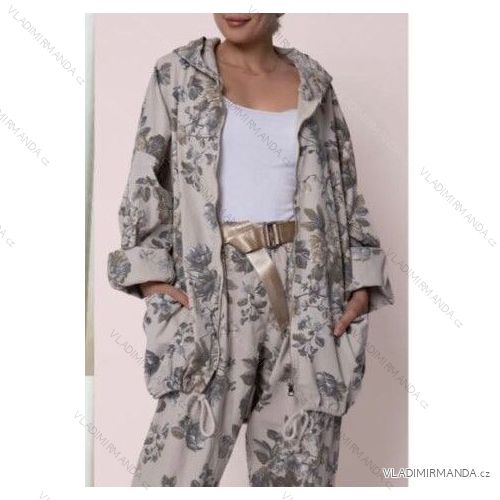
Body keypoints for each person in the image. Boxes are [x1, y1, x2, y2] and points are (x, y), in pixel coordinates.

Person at [107, 13, 394, 487]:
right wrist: (153, 279)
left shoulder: (315, 84)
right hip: (209, 293)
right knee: (172, 476)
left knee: (298, 477)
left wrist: (360, 286)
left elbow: (345, 190)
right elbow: (145, 179)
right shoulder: (176, 74)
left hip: (309, 296)